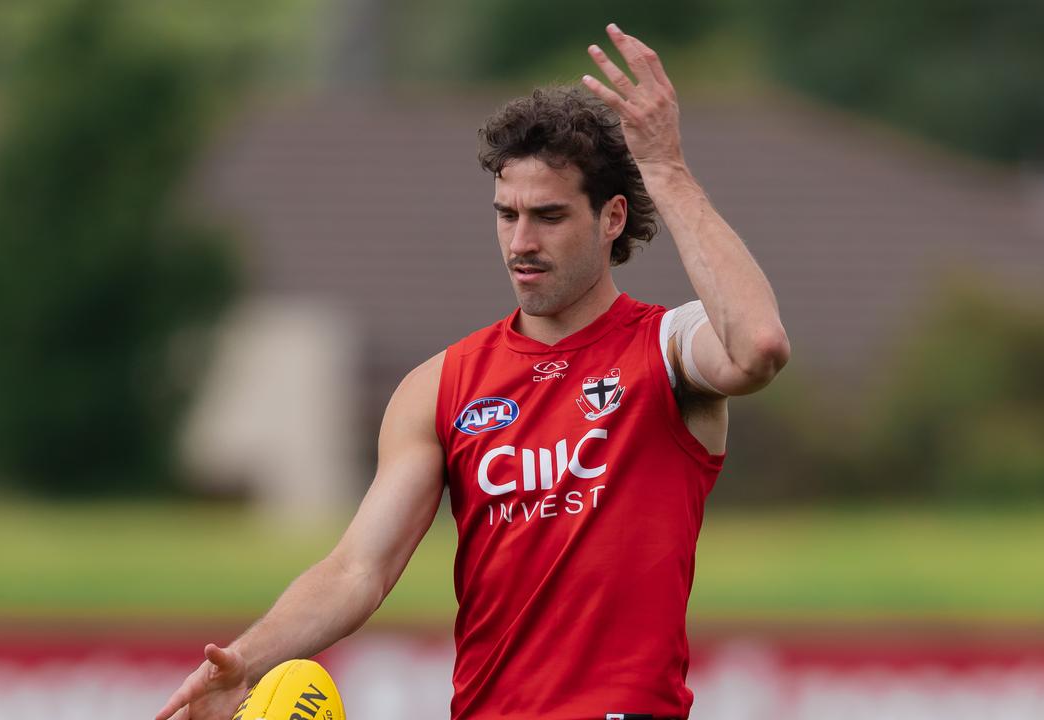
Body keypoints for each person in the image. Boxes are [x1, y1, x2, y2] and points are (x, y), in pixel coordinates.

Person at [155, 23, 788, 720]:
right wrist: (245, 661)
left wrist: (666, 169)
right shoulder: (441, 385)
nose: (521, 241)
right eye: (507, 215)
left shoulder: (667, 349)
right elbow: (357, 569)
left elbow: (757, 345)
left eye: (548, 216)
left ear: (612, 218)